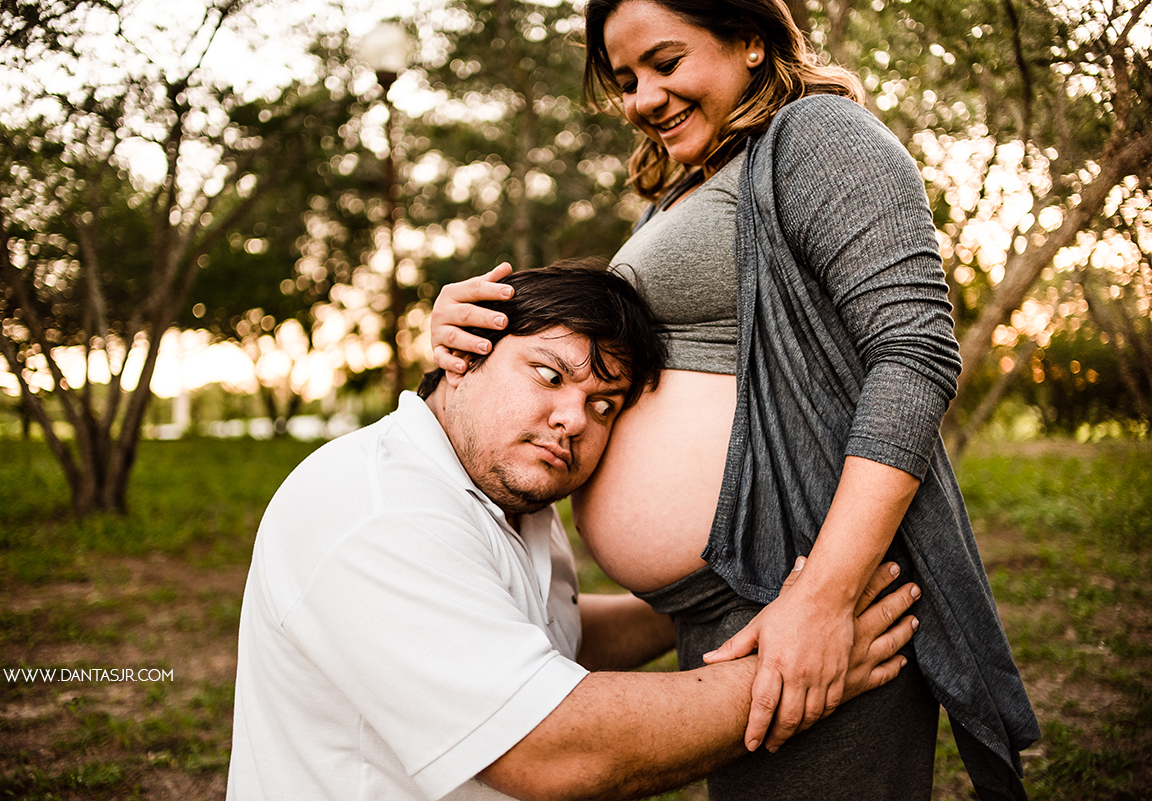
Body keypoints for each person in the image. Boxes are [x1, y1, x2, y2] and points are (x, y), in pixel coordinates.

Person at [429, 2, 1040, 800]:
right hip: (724, 605)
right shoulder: (690, 187)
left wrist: (824, 595)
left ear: (751, 39)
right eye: (625, 79)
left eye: (666, 62)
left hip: (809, 593)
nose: (643, 97)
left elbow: (914, 352)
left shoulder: (820, 135)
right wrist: (470, 321)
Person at [226, 261, 922, 801]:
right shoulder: (375, 509)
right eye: (549, 374)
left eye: (603, 403)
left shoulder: (505, 498)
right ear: (462, 355)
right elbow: (554, 748)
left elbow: (543, 632)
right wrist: (807, 667)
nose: (574, 418)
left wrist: (737, 600)